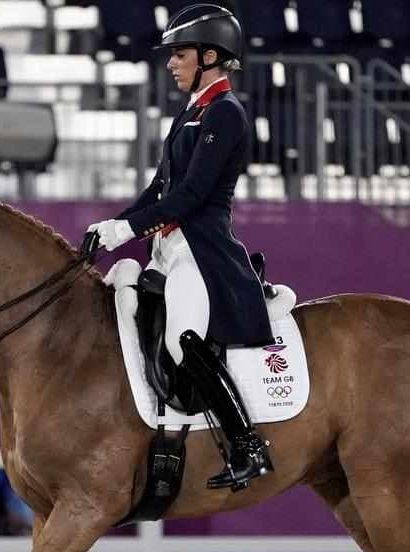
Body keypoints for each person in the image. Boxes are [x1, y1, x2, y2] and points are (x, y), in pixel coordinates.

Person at [88, 3, 273, 490]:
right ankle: (166, 441)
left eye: (180, 54)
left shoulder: (226, 113)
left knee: (180, 341)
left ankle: (247, 445)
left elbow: (189, 198)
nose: (171, 63)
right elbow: (159, 191)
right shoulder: (192, 113)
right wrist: (113, 225)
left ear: (210, 56)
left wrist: (127, 233)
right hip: (168, 249)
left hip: (201, 252)